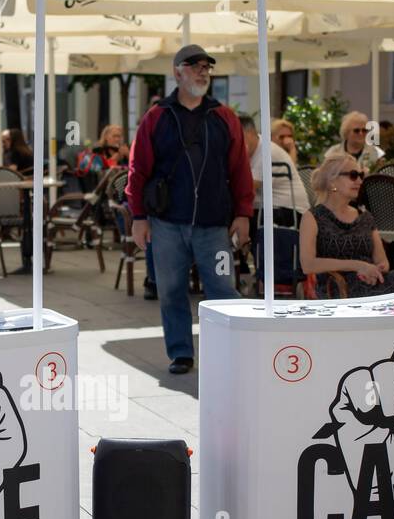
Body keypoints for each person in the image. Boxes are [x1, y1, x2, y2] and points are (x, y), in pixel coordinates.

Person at [126, 43, 251, 374]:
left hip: (214, 226)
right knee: (170, 291)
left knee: (224, 290)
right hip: (166, 223)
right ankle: (181, 353)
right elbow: (137, 171)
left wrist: (243, 214)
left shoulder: (224, 117)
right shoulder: (156, 117)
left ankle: (232, 350)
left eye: (206, 67)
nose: (202, 71)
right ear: (176, 72)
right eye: (194, 65)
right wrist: (138, 217)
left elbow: (240, 169)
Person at [300, 153, 394, 298]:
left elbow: (382, 261)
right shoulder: (313, 217)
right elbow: (308, 264)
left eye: (361, 175)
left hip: (370, 282)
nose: (359, 181)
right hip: (337, 288)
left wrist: (376, 270)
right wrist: (357, 265)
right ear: (332, 182)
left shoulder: (365, 217)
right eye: (353, 175)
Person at [240, 115, 308, 221]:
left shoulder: (267, 151)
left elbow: (247, 188)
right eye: (281, 136)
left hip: (287, 212)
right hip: (274, 209)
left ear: (251, 132)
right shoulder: (257, 148)